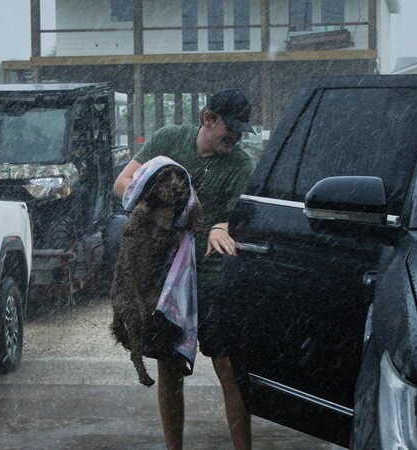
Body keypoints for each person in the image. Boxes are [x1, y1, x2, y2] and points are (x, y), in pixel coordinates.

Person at [113, 89, 256, 450]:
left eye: (242, 130)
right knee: (170, 368)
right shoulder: (168, 140)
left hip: (211, 280)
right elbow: (122, 184)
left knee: (228, 369)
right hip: (165, 280)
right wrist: (163, 200)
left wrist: (225, 225)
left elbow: (240, 219)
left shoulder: (241, 166)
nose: (236, 137)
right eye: (231, 128)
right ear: (208, 118)